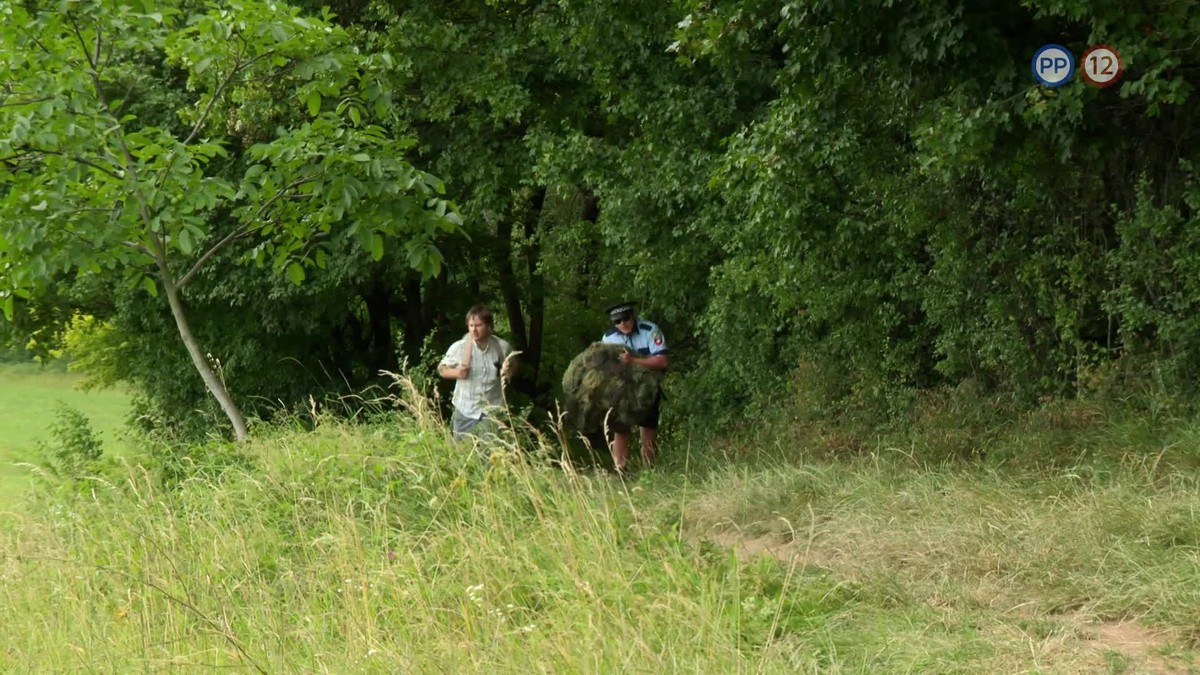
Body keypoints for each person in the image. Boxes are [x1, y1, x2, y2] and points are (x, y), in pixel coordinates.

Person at [601, 301, 669, 472]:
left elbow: (662, 361)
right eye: (617, 321)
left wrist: (633, 361)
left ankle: (649, 472)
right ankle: (621, 471)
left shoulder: (650, 331)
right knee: (621, 431)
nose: (622, 324)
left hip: (648, 389)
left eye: (626, 319)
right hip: (622, 391)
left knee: (648, 432)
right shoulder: (608, 338)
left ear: (633, 316)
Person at [437, 304, 514, 441]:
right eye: (471, 326)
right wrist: (456, 373)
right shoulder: (460, 347)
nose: (474, 330)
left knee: (490, 455)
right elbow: (442, 369)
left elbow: (513, 365)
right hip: (465, 408)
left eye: (478, 325)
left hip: (491, 410)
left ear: (488, 326)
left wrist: (508, 371)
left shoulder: (502, 347)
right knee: (461, 453)